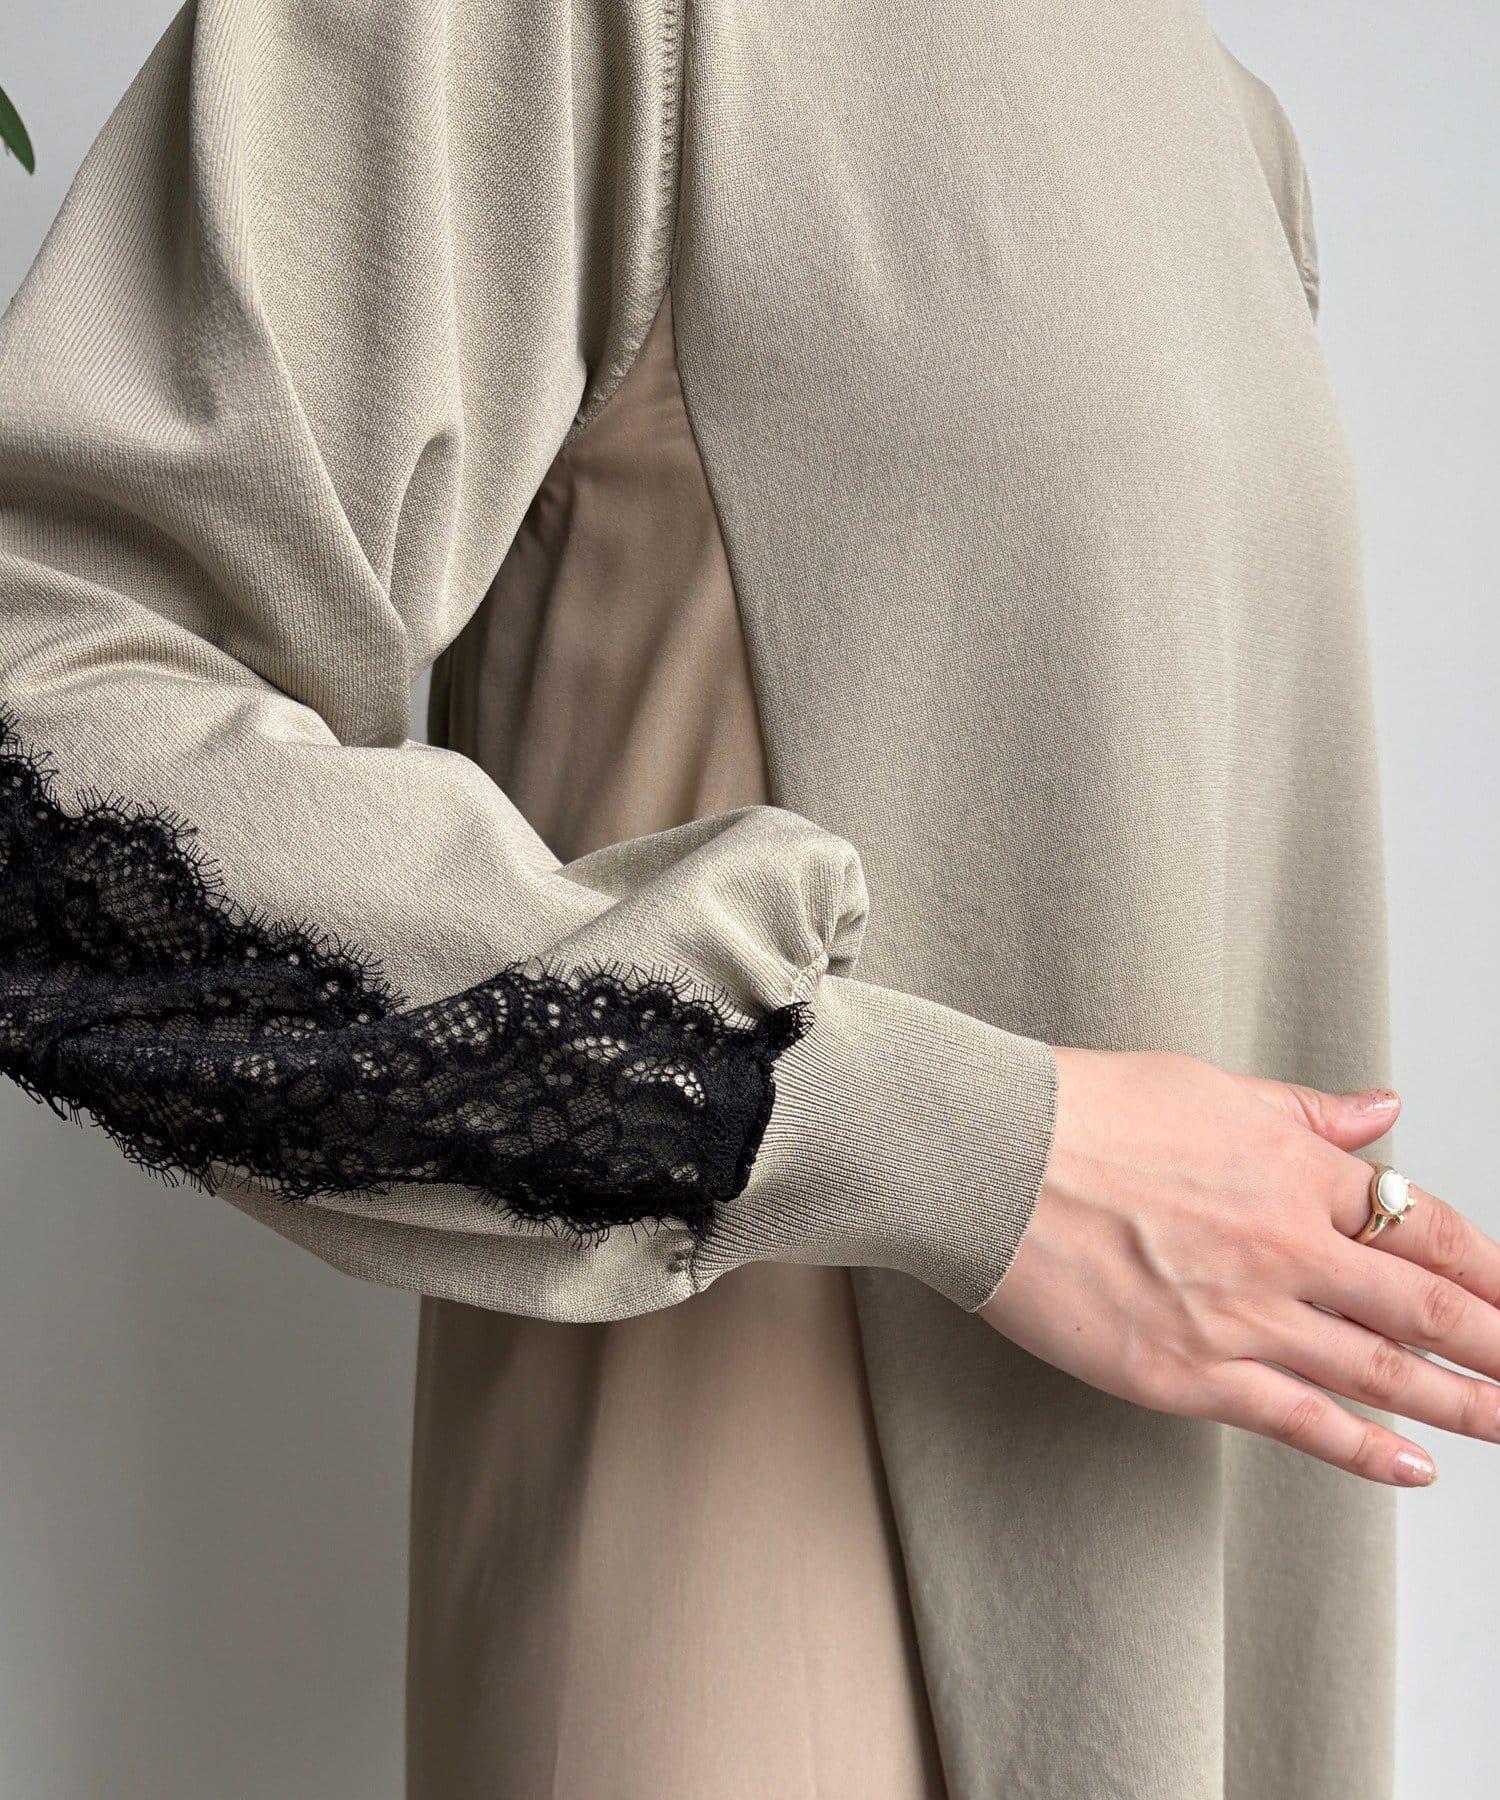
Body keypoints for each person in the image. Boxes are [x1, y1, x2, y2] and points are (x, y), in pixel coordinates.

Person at [0, 2, 1488, 1795]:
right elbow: (46, 712)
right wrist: (971, 1148)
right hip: (745, 1593)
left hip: (1199, 1589)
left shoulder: (1227, 121)